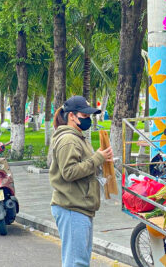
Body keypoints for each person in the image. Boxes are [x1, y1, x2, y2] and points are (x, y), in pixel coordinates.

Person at [49, 96, 113, 267]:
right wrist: (98, 158)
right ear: (71, 116)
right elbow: (69, 172)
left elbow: (83, 165)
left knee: (79, 261)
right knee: (76, 263)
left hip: (79, 206)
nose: (88, 120)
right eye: (84, 116)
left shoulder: (77, 137)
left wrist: (100, 157)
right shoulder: (68, 140)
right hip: (71, 207)